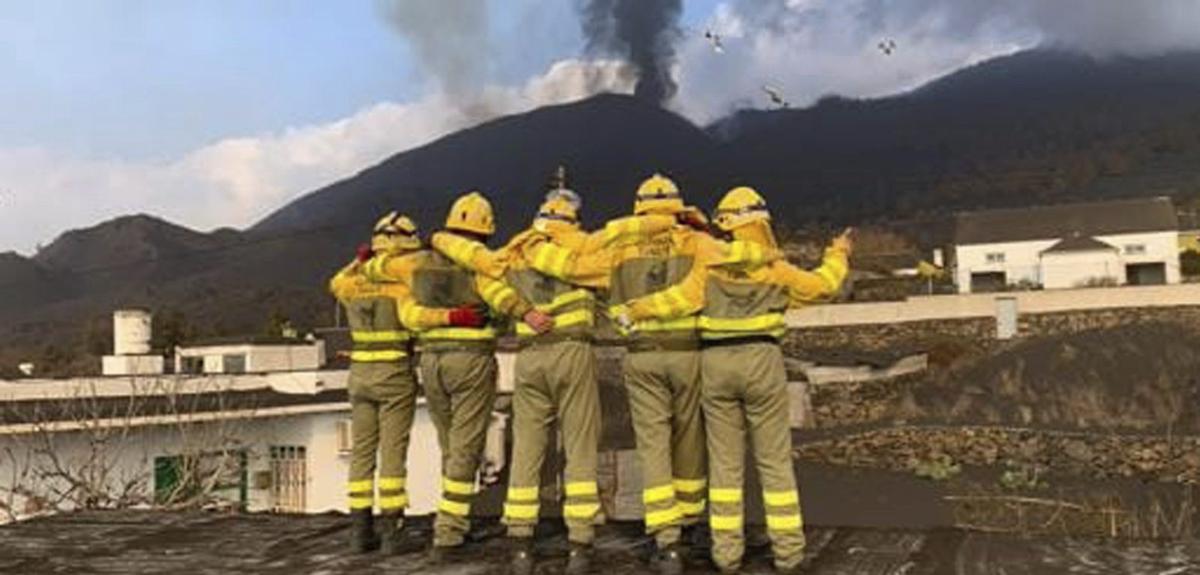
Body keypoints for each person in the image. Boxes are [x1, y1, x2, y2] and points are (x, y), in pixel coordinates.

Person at [523, 174, 777, 574]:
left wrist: (538, 237)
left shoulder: (620, 249)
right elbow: (751, 256)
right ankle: (692, 522)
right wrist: (703, 224)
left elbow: (571, 266)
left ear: (639, 207)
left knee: (653, 444)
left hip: (641, 357)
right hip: (688, 354)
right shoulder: (697, 242)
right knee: (690, 438)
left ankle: (667, 541)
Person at [616, 186, 852, 574]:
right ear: (761, 223)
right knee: (774, 461)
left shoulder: (708, 264)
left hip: (715, 365)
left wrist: (635, 309)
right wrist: (838, 252)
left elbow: (677, 299)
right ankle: (789, 553)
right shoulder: (775, 267)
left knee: (724, 465)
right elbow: (822, 285)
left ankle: (726, 555)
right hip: (762, 361)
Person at [363, 192, 553, 562]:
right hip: (470, 363)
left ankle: (456, 518)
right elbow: (499, 294)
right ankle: (448, 533)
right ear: (482, 233)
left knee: (450, 443)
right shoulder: (477, 267)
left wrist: (367, 260)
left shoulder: (415, 263)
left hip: (431, 363)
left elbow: (375, 271)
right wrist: (527, 313)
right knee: (466, 447)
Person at [432, 187, 609, 575]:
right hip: (572, 351)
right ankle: (579, 543)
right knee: (580, 444)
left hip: (529, 358)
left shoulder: (515, 252)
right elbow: (610, 280)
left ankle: (520, 541)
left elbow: (485, 280)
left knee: (527, 447)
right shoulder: (583, 250)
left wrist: (525, 312)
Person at [328, 211, 464, 555]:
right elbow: (415, 319)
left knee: (361, 453)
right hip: (393, 375)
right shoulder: (401, 283)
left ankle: (359, 533)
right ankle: (391, 533)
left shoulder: (352, 284)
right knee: (392, 454)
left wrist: (358, 263)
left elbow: (335, 282)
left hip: (359, 376)